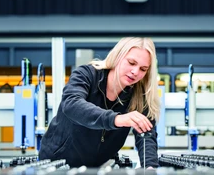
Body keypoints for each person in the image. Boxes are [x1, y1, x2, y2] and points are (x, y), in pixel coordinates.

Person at [39, 37, 161, 168]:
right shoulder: (86, 74)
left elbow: (146, 136)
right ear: (117, 56)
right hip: (59, 164)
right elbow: (71, 104)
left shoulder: (139, 95)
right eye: (131, 63)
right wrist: (116, 119)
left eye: (143, 69)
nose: (135, 72)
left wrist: (150, 167)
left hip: (99, 169)